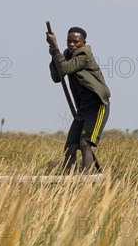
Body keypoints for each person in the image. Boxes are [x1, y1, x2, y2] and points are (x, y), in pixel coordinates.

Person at [46, 26, 111, 173]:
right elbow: (57, 77)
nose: (72, 45)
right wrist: (53, 53)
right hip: (83, 108)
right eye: (69, 41)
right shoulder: (67, 55)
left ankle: (86, 181)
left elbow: (65, 69)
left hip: (97, 105)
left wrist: (56, 49)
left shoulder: (84, 54)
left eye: (76, 42)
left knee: (85, 143)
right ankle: (67, 180)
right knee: (70, 146)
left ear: (83, 42)